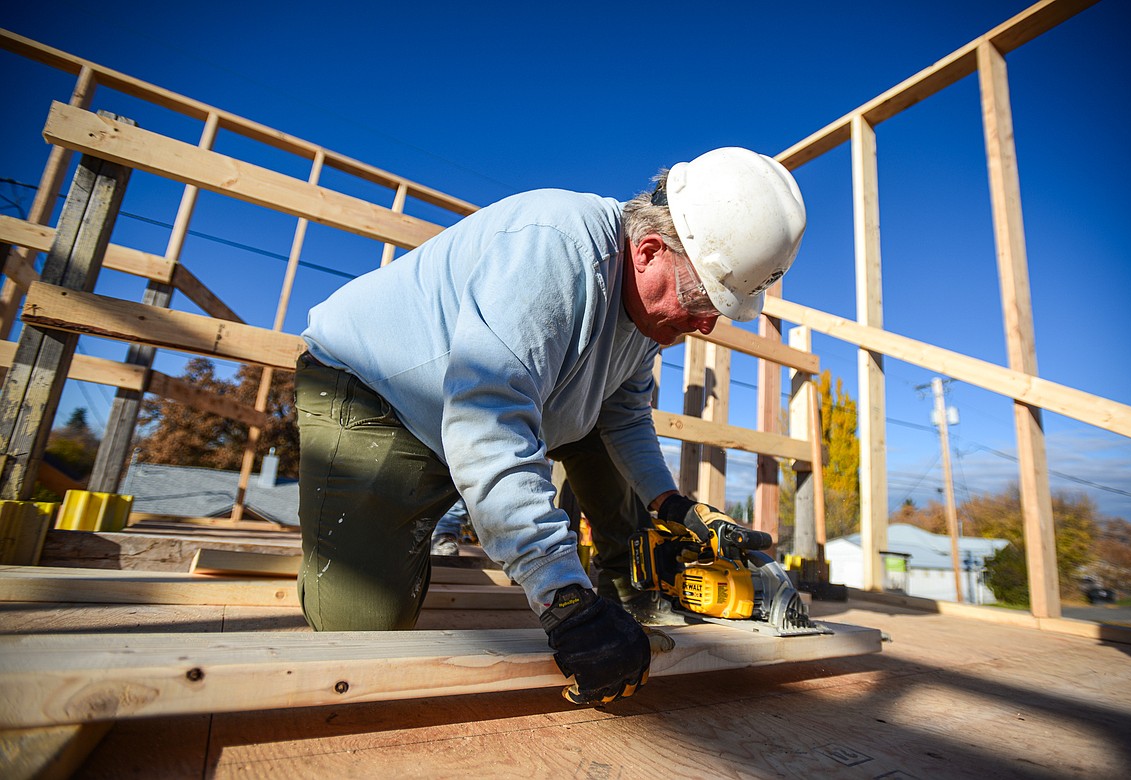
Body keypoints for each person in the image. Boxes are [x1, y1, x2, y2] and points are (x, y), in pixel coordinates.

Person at [294, 147, 806, 705]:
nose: (706, 325)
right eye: (703, 300)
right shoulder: (553, 251)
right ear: (650, 251)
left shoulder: (648, 315)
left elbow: (626, 416)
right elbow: (489, 425)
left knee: (596, 431)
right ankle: (350, 540)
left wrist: (672, 505)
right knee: (365, 638)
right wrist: (563, 601)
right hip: (379, 394)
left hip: (478, 413)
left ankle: (625, 591)